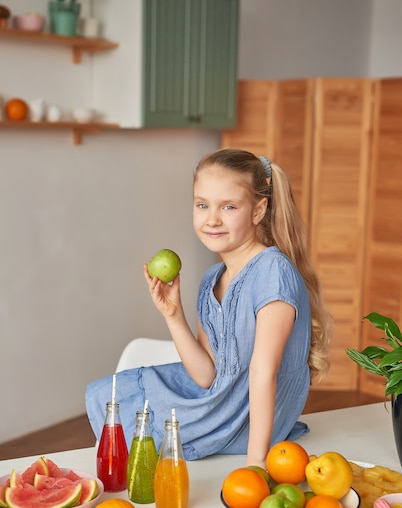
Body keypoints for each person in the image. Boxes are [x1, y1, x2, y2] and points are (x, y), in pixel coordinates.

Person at [86, 148, 331, 467]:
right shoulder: (211, 279)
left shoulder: (273, 272)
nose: (212, 219)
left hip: (247, 422)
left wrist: (256, 465)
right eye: (202, 205)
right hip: (221, 401)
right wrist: (172, 314)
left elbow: (263, 372)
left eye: (229, 206)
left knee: (140, 427)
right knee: (114, 394)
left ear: (258, 210)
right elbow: (206, 375)